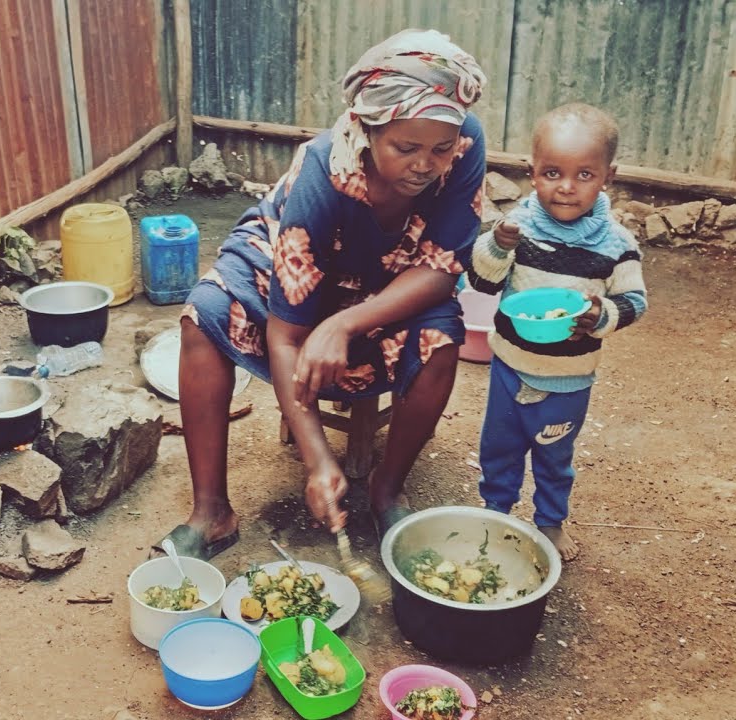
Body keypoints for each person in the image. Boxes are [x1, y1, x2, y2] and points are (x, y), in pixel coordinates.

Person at [153, 29, 489, 561]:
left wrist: (343, 325)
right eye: (406, 148)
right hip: (288, 261)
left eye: (440, 149)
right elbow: (285, 334)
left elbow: (442, 268)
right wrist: (318, 461)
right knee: (205, 313)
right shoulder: (323, 169)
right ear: (366, 129)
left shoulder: (465, 143)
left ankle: (385, 489)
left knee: (440, 338)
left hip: (392, 277)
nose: (426, 164)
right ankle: (211, 511)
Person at [466, 103, 648, 561]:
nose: (566, 187)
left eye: (584, 175)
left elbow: (634, 302)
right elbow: (483, 282)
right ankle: (496, 511)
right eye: (552, 172)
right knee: (500, 448)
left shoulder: (616, 245)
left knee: (554, 456)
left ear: (608, 175)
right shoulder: (517, 228)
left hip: (569, 378)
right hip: (509, 367)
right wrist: (496, 246)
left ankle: (549, 521)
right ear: (532, 172)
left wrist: (601, 314)